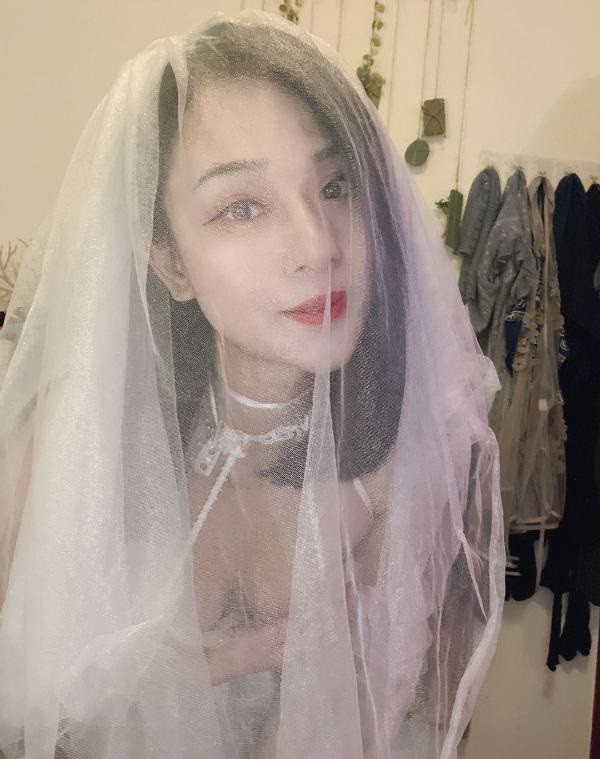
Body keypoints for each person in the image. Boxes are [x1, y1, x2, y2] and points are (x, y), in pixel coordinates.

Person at [0, 10, 504, 759]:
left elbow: (415, 720)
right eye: (242, 206)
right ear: (170, 261)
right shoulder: (68, 438)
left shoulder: (408, 464)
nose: (318, 245)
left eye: (335, 185)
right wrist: (221, 657)